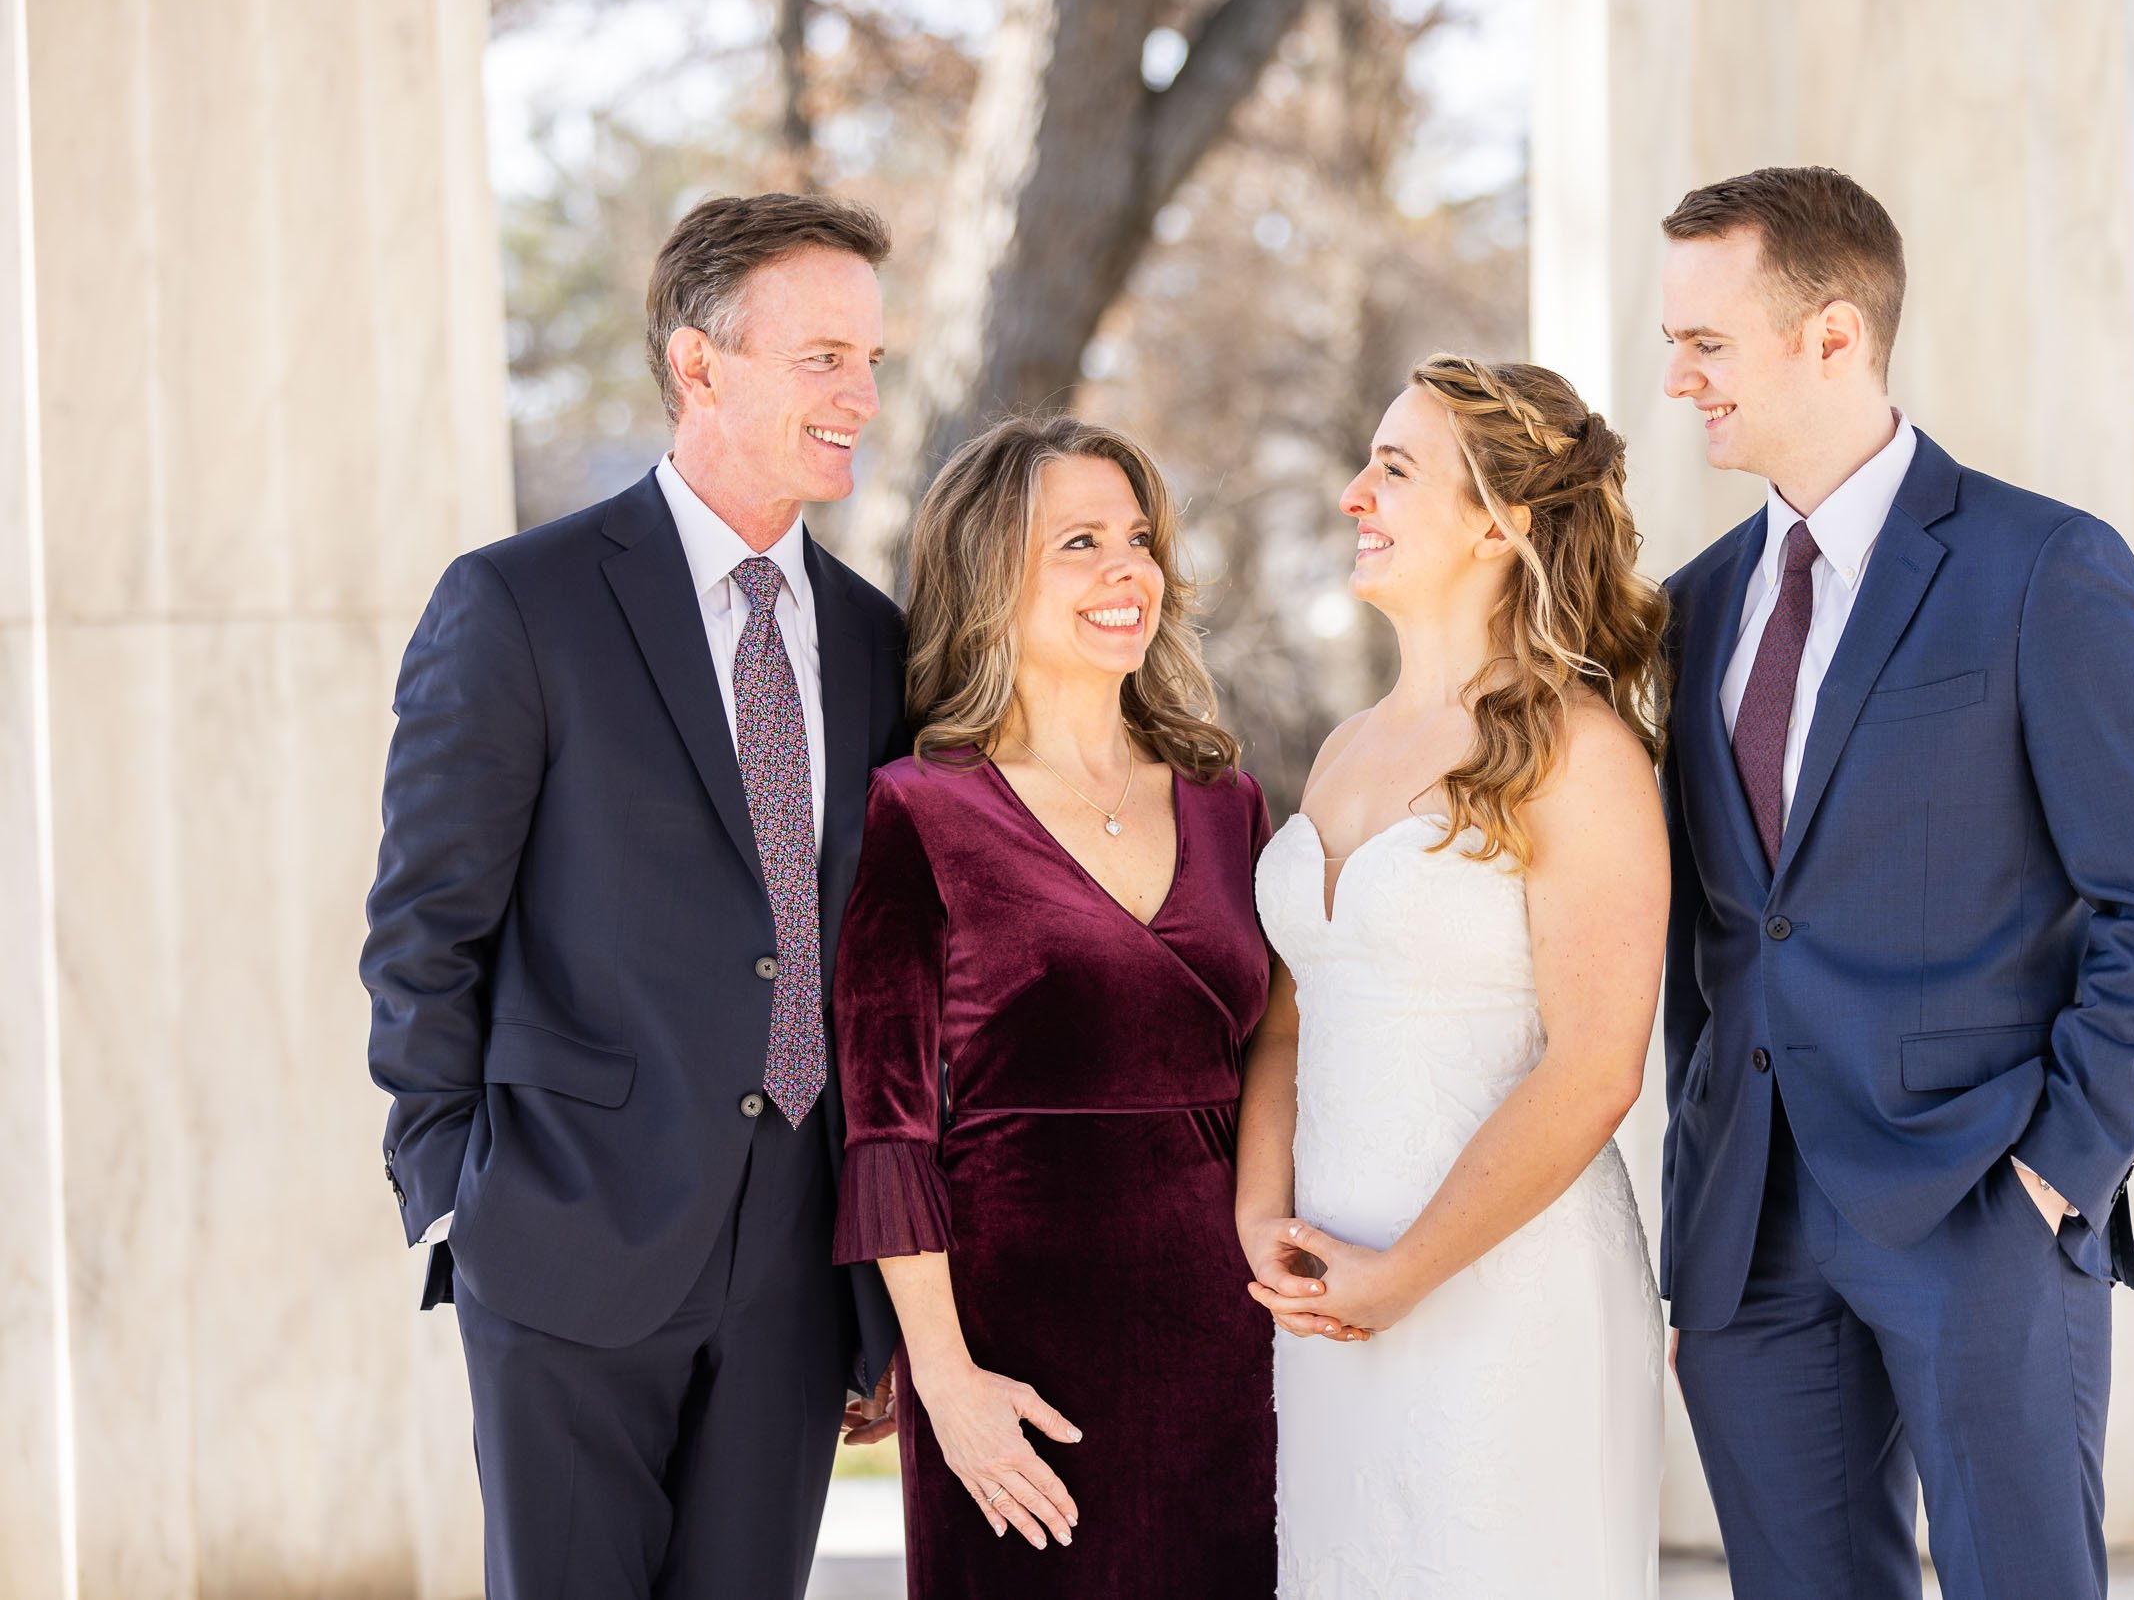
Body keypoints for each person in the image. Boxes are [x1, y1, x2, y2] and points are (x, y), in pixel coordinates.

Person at [1652, 166, 2134, 1599]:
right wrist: (1698, 1194)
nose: (1677, 379)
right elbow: (1714, 939)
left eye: (1707, 343)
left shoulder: (2045, 569)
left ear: (1833, 337)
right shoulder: (1690, 607)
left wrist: (2057, 1176)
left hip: (1983, 1206)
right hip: (1751, 1238)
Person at [363, 193, 908, 1599]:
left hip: (798, 1259)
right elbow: (427, 927)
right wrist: (456, 1195)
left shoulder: (877, 640)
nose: (859, 395)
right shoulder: (519, 603)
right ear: (698, 363)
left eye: (871, 363)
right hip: (563, 1240)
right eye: (824, 357)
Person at [1243, 354, 1669, 1597]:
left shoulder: (1579, 754)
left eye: (1394, 466)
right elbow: (1286, 1027)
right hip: (1327, 1302)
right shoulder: (1341, 750)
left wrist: (1406, 1270)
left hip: (1503, 1298)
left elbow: (1596, 1064)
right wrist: (1259, 1217)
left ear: (1499, 521)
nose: (1351, 494)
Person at [830, 415, 1278, 1597]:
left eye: (1138, 537)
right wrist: (945, 1378)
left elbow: (1278, 1048)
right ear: (989, 575)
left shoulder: (1229, 801)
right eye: (1080, 540)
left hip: (1226, 1345)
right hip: (1010, 1349)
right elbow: (884, 1128)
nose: (1129, 569)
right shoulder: (918, 808)